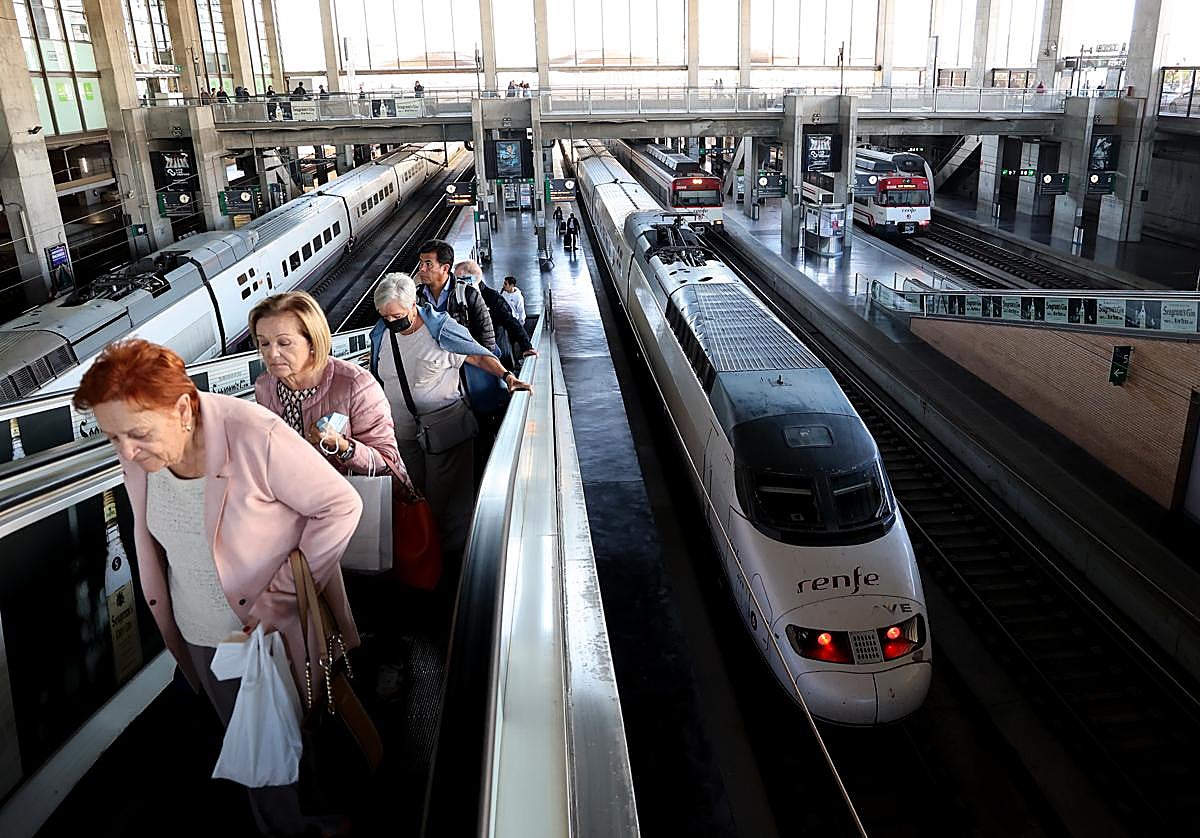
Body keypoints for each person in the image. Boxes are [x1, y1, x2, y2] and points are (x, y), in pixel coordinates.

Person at [73, 339, 362, 837]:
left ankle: (312, 822)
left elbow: (340, 505)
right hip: (202, 637)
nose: (126, 452)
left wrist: (278, 600)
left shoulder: (254, 435)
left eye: (137, 434)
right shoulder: (140, 450)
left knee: (300, 740)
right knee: (256, 751)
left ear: (183, 409)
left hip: (273, 637)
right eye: (112, 438)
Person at [369, 273, 530, 554]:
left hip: (445, 428)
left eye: (397, 316)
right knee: (415, 494)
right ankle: (426, 553)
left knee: (448, 503)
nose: (391, 322)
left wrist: (507, 376)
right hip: (403, 432)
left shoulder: (441, 330)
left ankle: (453, 560)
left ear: (413, 305)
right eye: (385, 316)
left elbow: (477, 355)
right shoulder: (381, 334)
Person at [250, 291, 404, 480]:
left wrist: (341, 446)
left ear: (313, 342)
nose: (272, 353)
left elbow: (387, 461)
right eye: (264, 343)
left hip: (350, 495)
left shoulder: (356, 385)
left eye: (284, 343)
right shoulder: (264, 387)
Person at [415, 239, 496, 353]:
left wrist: (485, 361)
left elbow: (487, 335)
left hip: (464, 359)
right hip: (430, 361)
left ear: (445, 268)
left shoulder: (467, 294)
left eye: (428, 264)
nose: (422, 269)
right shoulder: (416, 296)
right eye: (421, 263)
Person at [453, 260, 536, 366]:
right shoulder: (456, 298)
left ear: (471, 279)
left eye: (459, 279)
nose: (455, 283)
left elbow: (511, 321)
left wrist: (526, 347)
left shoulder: (493, 298)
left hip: (498, 355)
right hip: (471, 357)